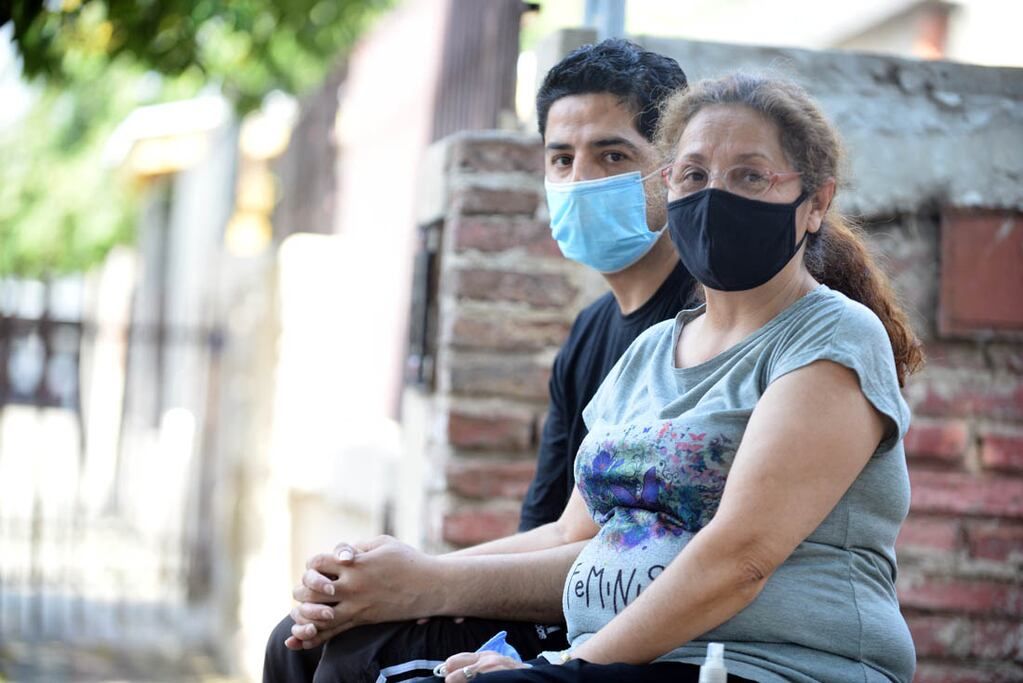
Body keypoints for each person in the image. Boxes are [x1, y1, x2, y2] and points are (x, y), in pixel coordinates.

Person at [427, 73, 926, 682]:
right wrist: (415, 579)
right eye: (693, 175)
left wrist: (556, 666)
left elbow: (741, 559)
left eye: (750, 176)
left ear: (815, 203)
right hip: (607, 658)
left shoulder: (832, 336)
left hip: (765, 666)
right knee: (350, 648)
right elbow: (569, 533)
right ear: (667, 186)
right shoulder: (649, 351)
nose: (715, 197)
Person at [263, 39, 695, 682]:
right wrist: (387, 577)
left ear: (673, 169)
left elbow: (621, 552)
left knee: (355, 659)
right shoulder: (589, 333)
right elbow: (551, 530)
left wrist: (424, 582)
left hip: (628, 620)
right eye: (561, 158)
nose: (580, 180)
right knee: (295, 641)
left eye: (612, 155)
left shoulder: (698, 321)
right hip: (565, 587)